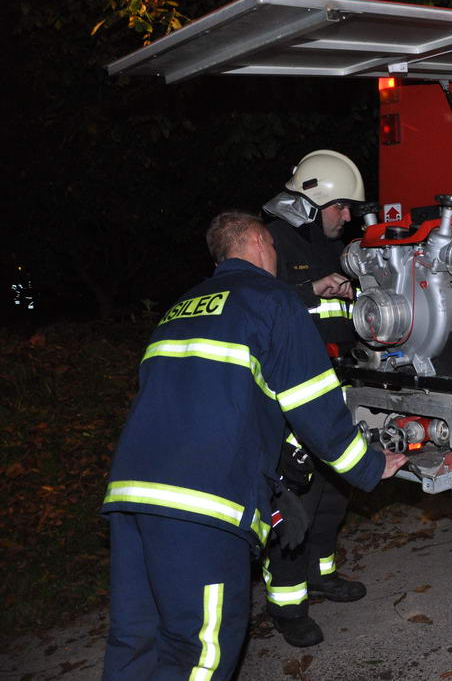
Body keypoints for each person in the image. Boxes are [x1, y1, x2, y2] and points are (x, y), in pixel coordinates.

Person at [101, 211, 407, 680]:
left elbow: (196, 399)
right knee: (200, 652)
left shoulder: (180, 307)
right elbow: (313, 405)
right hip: (201, 504)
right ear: (261, 243)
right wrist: (369, 465)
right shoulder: (272, 299)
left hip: (131, 496)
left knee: (135, 640)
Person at [260, 150, 367, 647]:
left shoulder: (334, 247)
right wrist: (309, 289)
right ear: (312, 201)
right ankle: (287, 608)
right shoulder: (271, 242)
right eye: (341, 206)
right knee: (295, 503)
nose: (347, 216)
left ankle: (321, 574)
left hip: (335, 392)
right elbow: (258, 304)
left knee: (332, 495)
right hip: (292, 399)